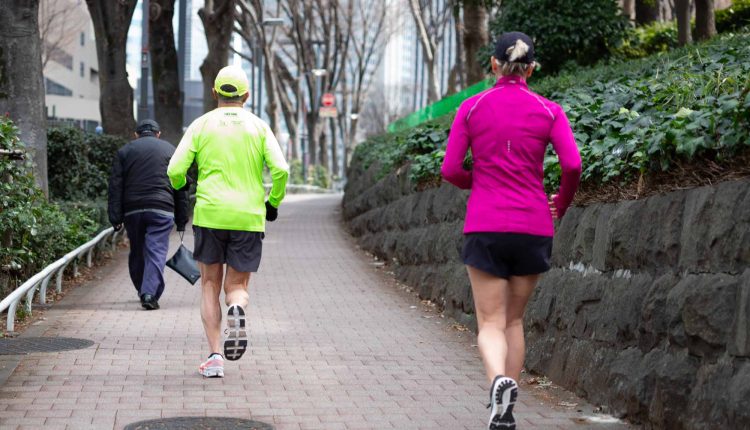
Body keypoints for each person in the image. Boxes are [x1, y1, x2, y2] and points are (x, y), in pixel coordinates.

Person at [441, 32, 582, 430]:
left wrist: (481, 180)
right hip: (533, 224)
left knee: (489, 322)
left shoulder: (471, 108)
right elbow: (572, 166)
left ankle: (497, 384)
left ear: (493, 65)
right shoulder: (549, 110)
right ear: (532, 69)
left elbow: (451, 169)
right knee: (514, 321)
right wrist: (561, 202)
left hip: (486, 223)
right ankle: (509, 405)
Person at [167, 65, 289, 378]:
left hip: (210, 215)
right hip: (248, 217)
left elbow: (174, 170)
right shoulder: (259, 127)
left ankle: (215, 357)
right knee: (237, 286)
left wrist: (183, 190)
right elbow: (281, 171)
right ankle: (238, 307)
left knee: (209, 283)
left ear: (214, 93)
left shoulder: (201, 125)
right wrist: (272, 204)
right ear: (246, 95)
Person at [108, 119, 189, 310]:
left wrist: (115, 217)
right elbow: (180, 188)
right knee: (156, 250)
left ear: (136, 134)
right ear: (158, 134)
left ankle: (143, 289)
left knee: (137, 250)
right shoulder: (171, 150)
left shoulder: (125, 151)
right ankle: (149, 292)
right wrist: (181, 219)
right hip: (162, 208)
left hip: (133, 210)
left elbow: (115, 186)